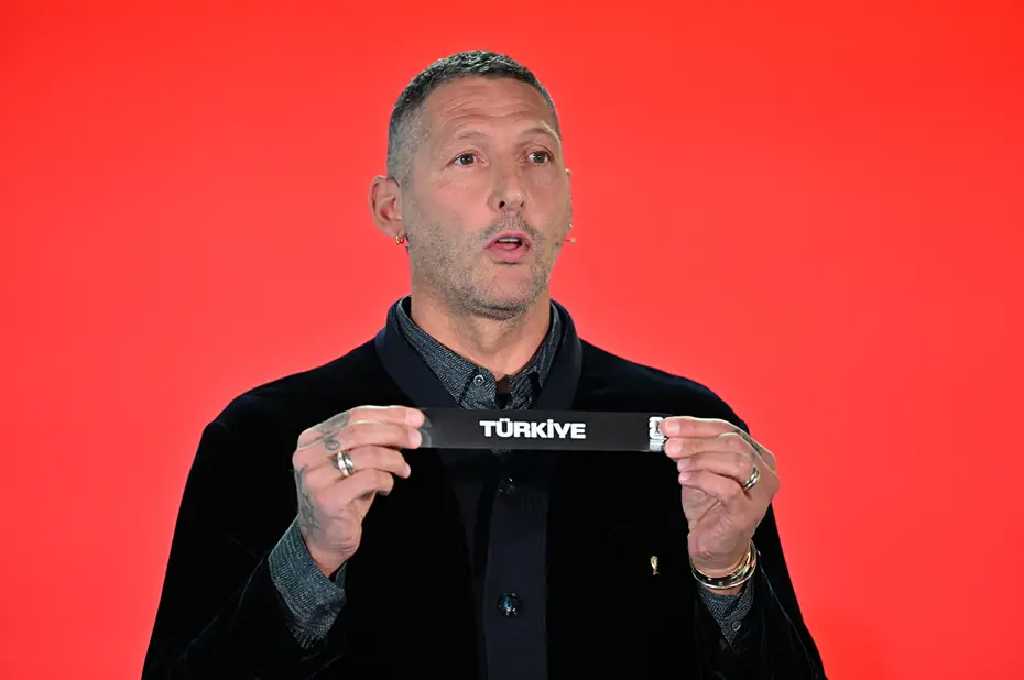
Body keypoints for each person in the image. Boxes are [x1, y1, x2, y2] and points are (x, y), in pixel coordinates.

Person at [142, 50, 826, 679]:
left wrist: (725, 573)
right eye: (467, 158)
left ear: (568, 199)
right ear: (391, 208)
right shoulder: (266, 438)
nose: (512, 191)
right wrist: (308, 559)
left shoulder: (687, 435)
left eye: (537, 156)